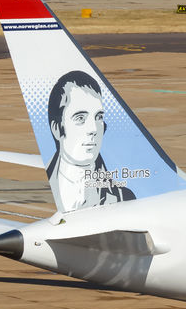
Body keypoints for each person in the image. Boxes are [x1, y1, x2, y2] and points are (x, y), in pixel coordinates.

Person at [45, 70, 135, 210]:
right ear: (57, 129)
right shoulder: (124, 203)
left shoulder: (123, 197)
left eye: (98, 117)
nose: (94, 129)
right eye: (80, 118)